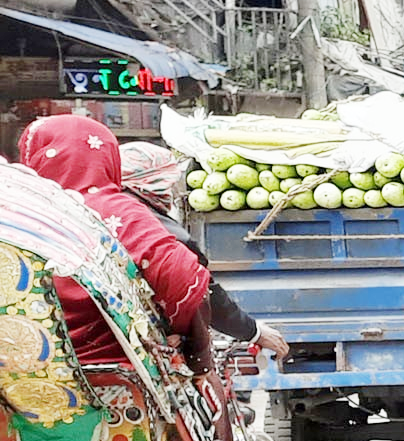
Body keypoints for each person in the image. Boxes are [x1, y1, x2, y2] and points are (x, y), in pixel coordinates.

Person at [18, 116, 209, 366]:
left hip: (22, 374)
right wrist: (196, 352)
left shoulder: (15, 213)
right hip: (114, 375)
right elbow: (182, 278)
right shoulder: (118, 212)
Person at [117, 142, 286, 359]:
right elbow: (197, 285)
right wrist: (253, 332)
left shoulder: (103, 209)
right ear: (151, 182)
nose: (171, 191)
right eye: (167, 183)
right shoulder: (145, 222)